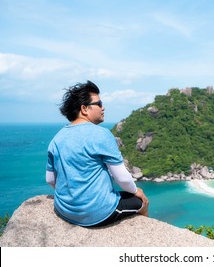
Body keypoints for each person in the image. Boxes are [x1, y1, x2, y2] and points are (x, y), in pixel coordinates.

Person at [46, 80, 149, 227]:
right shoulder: (101, 134)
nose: (103, 108)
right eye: (99, 104)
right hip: (96, 213)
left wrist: (73, 197)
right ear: (84, 109)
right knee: (142, 201)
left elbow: (50, 179)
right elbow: (122, 178)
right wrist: (136, 190)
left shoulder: (57, 138)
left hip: (64, 210)